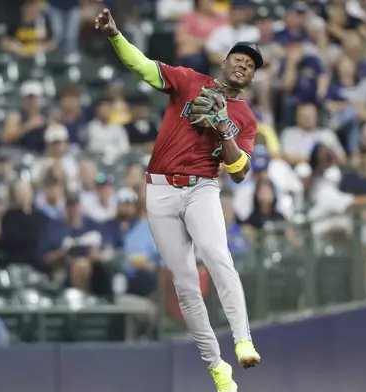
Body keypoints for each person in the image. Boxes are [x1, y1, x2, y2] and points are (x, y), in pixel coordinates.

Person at [96, 8, 260, 391]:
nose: (243, 66)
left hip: (202, 186)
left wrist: (224, 129)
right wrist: (115, 36)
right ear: (225, 60)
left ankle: (242, 340)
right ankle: (217, 368)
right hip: (160, 190)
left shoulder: (245, 117)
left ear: (252, 76)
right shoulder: (188, 81)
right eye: (238, 58)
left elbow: (239, 170)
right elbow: (142, 67)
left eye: (250, 65)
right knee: (185, 284)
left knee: (218, 257)